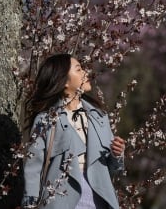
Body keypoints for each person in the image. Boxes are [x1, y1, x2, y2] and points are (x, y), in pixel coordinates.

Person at [21, 53, 125, 209]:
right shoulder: (46, 120)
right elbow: (33, 167)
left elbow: (112, 168)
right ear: (63, 81)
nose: (85, 73)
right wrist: (29, 203)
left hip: (100, 197)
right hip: (61, 198)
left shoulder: (99, 118)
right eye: (79, 69)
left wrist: (117, 154)